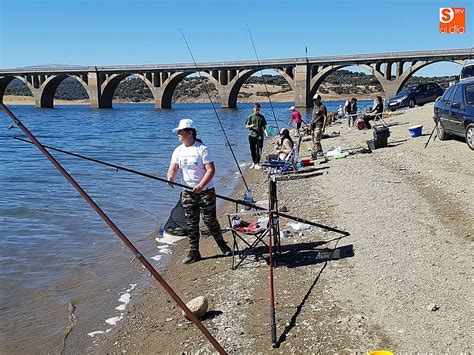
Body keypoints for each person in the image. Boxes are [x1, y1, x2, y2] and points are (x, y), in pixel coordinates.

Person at [167, 118, 231, 264]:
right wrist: (170, 177)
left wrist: (201, 185)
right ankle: (194, 252)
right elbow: (173, 167)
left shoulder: (202, 149)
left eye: (180, 131)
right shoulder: (178, 150)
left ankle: (222, 245)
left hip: (206, 192)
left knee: (210, 221)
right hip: (188, 193)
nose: (178, 134)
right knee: (191, 223)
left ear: (190, 132)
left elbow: (211, 170)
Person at [245, 103, 268, 169]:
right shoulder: (250, 117)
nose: (257, 109)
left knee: (259, 149)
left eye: (258, 108)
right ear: (253, 109)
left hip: (260, 136)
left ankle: (257, 162)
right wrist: (250, 126)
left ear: (259, 109)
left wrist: (266, 134)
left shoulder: (262, 117)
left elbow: (264, 127)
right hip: (252, 135)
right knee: (252, 150)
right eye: (256, 108)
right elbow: (246, 126)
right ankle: (254, 162)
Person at [310, 94, 327, 159]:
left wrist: (323, 127)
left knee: (316, 140)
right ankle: (320, 152)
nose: (314, 101)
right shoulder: (315, 106)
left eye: (315, 100)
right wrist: (311, 123)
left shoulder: (322, 107)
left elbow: (325, 117)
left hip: (319, 126)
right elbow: (313, 116)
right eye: (313, 100)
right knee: (313, 140)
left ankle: (314, 154)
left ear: (319, 99)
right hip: (313, 126)